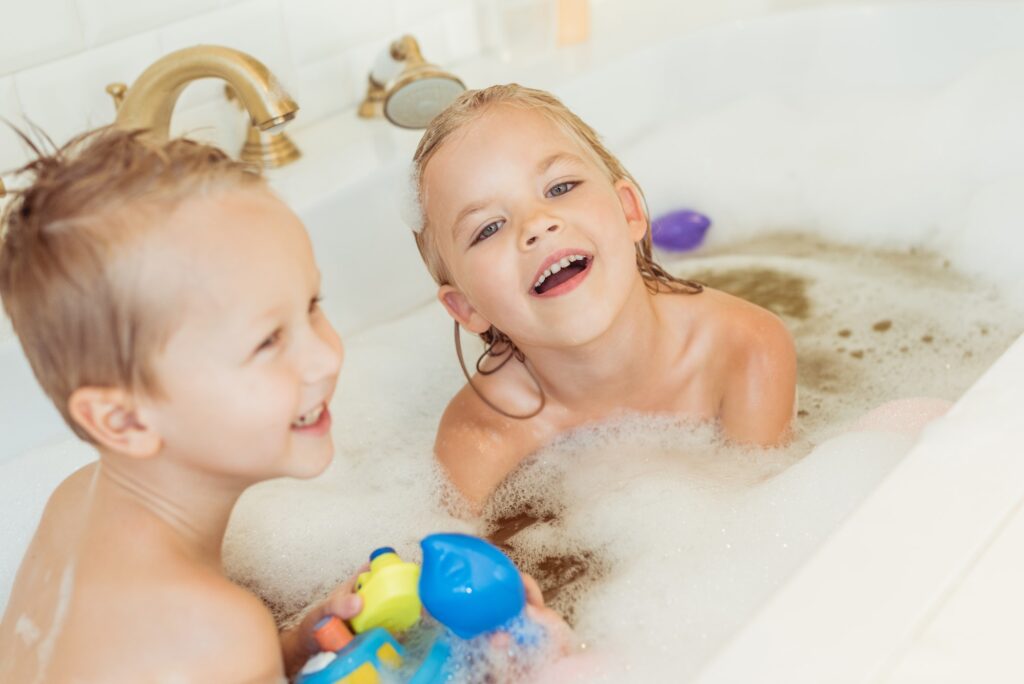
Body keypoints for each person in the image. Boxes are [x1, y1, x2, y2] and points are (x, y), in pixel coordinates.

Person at [0, 128, 355, 681]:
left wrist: (288, 654)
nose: (326, 358)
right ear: (124, 419)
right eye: (267, 341)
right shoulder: (215, 633)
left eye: (312, 305)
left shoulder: (72, 503)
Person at [409, 84, 798, 509]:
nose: (537, 224)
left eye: (559, 188)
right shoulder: (478, 434)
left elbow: (765, 523)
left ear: (630, 211)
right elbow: (445, 559)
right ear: (466, 307)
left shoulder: (746, 349)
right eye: (488, 228)